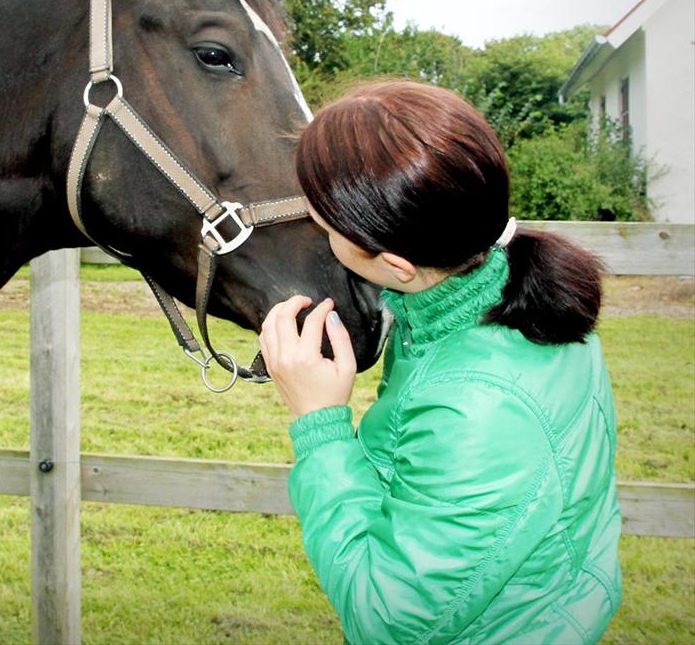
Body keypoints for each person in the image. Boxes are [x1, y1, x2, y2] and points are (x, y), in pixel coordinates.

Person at [259, 80, 621, 644]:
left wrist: (321, 423)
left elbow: (385, 618)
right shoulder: (515, 301)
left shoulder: (478, 407)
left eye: (327, 229)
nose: (320, 237)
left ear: (397, 263)